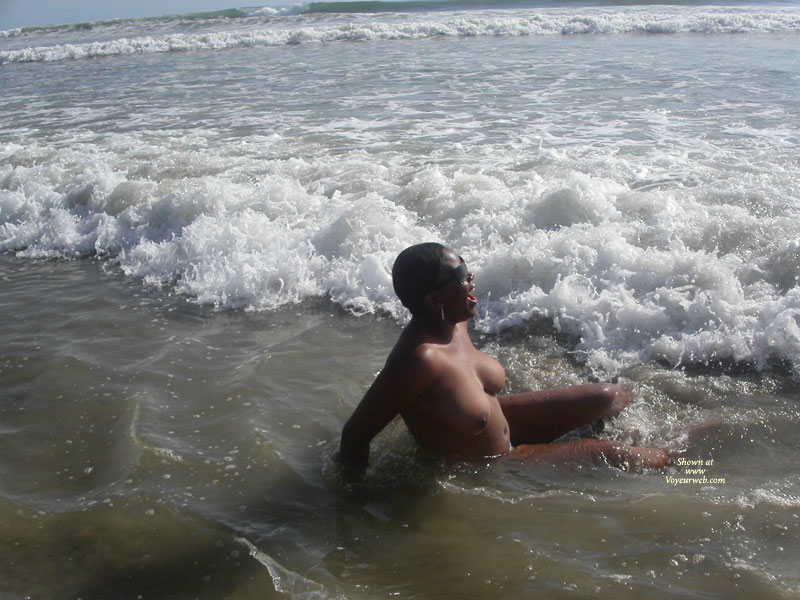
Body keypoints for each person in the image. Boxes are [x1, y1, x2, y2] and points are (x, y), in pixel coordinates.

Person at [337, 242, 670, 471]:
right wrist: (354, 506)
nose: (472, 280)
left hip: (500, 423)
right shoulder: (419, 360)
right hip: (495, 462)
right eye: (461, 277)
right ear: (434, 299)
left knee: (607, 396)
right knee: (625, 456)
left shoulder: (455, 324)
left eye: (467, 270)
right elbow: (355, 435)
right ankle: (697, 463)